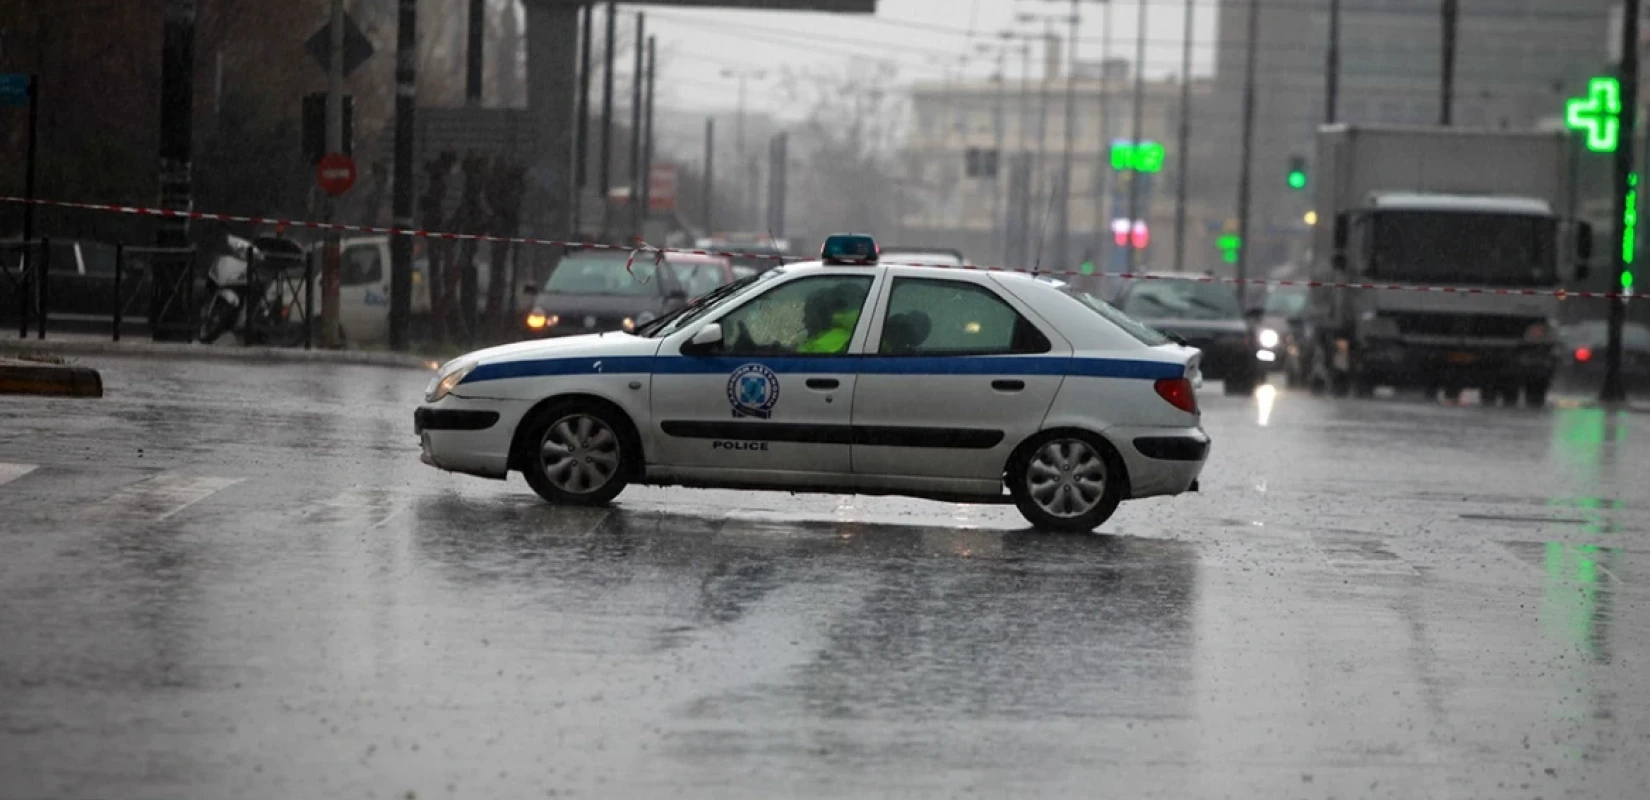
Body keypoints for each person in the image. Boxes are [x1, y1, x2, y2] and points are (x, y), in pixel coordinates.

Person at [797, 284, 863, 354]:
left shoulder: (827, 343)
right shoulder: (836, 334)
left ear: (819, 316)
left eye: (807, 315)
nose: (803, 320)